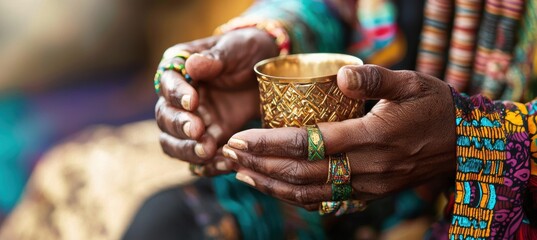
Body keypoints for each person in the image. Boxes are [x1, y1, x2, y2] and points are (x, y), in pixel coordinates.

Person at [153, 0, 537, 239]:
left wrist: (474, 137)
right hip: (371, 205)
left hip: (510, 205)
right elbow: (337, 6)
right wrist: (274, 36)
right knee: (166, 223)